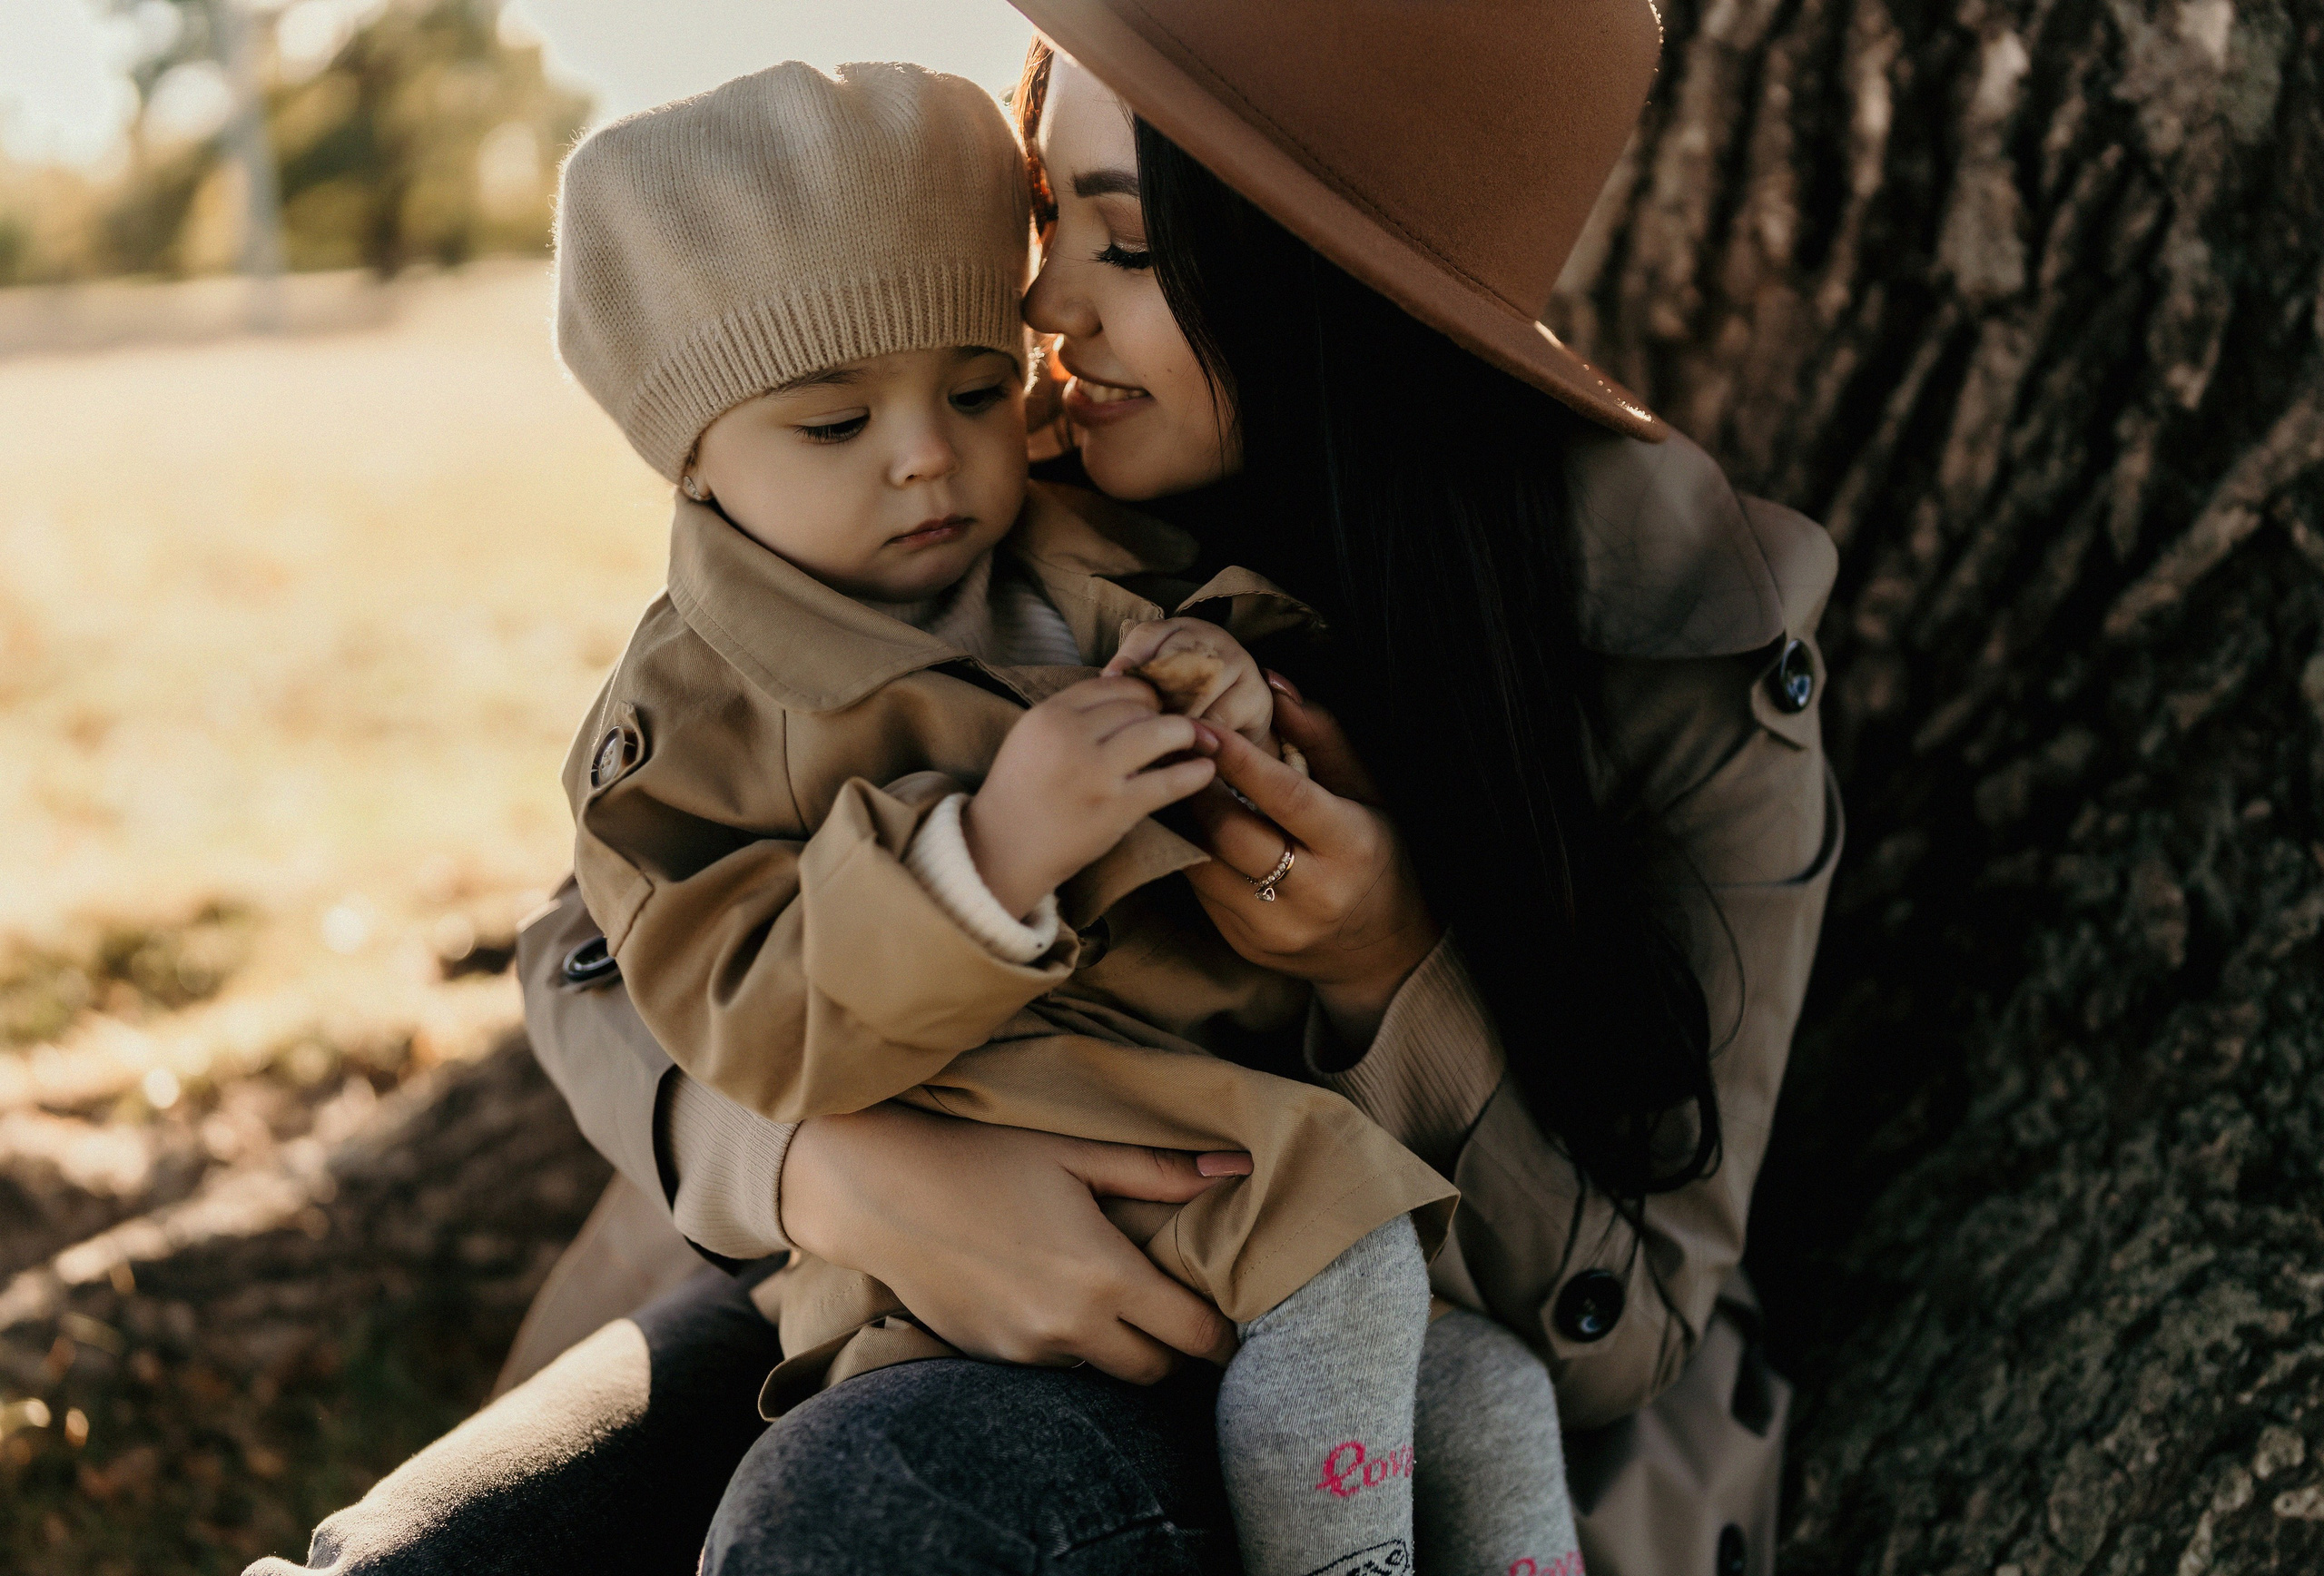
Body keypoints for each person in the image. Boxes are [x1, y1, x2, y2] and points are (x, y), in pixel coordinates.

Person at [246, 4, 1838, 1574]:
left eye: (1128, 244)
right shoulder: (970, 474)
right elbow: (589, 943)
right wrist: (833, 1173)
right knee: (416, 1558)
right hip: (855, 1259)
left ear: (1329, 287)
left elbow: (1619, 1326)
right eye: (1047, 209)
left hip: (1297, 1344)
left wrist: (1383, 969)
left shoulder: (1655, 650)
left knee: (875, 1517)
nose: (1044, 299)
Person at [543, 54, 1580, 1576]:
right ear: (689, 459)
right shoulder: (706, 706)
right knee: (1351, 1275)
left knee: (1488, 1381)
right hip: (1005, 1185)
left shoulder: (1064, 538)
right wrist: (983, 862)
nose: (927, 453)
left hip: (1210, 1150)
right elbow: (710, 995)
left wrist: (1217, 680)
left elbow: (1185, 635)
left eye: (972, 390)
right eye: (835, 425)